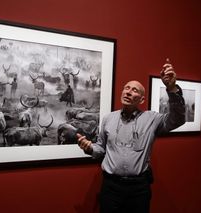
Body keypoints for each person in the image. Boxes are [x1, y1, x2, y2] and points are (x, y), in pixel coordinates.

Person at [77, 59, 186, 213]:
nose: (128, 91)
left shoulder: (152, 119)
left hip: (138, 189)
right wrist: (90, 148)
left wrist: (172, 88)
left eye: (134, 90)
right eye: (126, 88)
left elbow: (178, 119)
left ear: (142, 99)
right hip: (111, 187)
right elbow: (100, 149)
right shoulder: (108, 119)